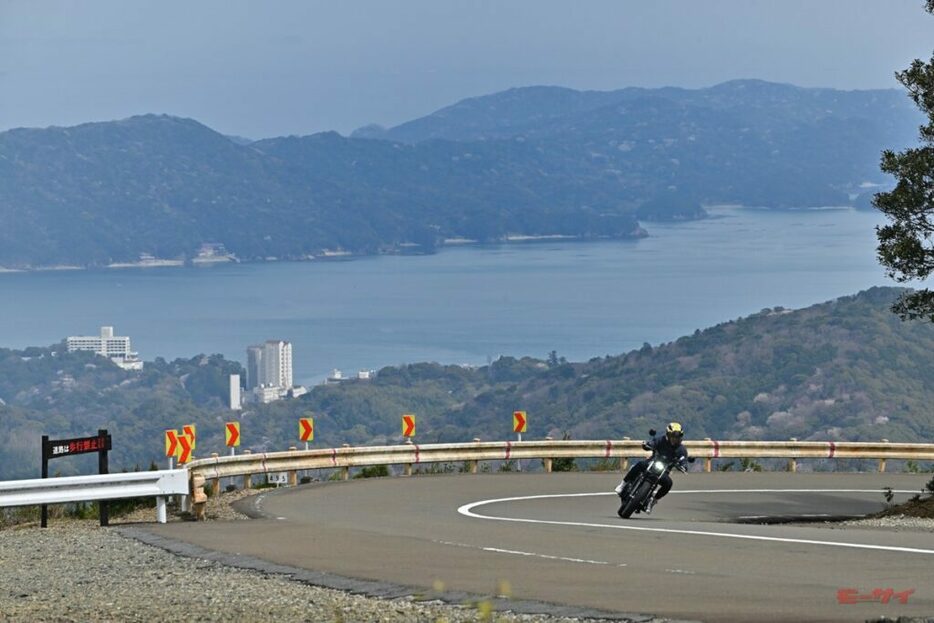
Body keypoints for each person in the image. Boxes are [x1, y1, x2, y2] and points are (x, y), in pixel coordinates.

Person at [615, 422, 688, 515]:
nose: (675, 438)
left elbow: (683, 459)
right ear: (668, 435)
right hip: (652, 462)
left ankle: (653, 500)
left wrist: (683, 466)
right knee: (640, 465)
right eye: (673, 436)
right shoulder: (661, 440)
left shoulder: (681, 449)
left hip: (664, 471)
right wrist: (647, 445)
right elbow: (652, 443)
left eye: (678, 436)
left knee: (668, 484)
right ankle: (622, 485)